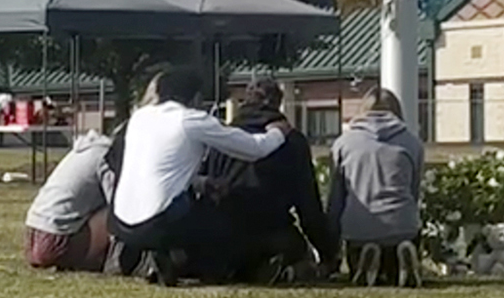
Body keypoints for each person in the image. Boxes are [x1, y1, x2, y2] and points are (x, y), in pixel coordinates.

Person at [107, 66, 290, 286]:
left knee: (186, 202)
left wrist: (200, 182)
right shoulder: (191, 120)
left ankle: (164, 258)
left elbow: (159, 169)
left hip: (121, 223)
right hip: (157, 222)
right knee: (219, 216)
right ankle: (211, 268)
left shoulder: (139, 118)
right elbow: (253, 149)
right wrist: (278, 132)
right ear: (195, 97)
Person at [199, 78, 337, 283]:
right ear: (277, 103)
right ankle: (277, 267)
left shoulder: (223, 137)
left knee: (227, 254)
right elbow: (308, 205)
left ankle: (230, 268)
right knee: (293, 249)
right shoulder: (291, 141)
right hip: (272, 230)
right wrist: (327, 252)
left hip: (224, 232)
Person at [327, 88, 425, 287]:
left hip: (358, 231)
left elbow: (336, 200)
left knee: (362, 245)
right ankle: (400, 261)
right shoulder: (412, 143)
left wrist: (330, 249)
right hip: (402, 226)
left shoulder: (343, 144)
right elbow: (414, 193)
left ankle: (365, 258)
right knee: (400, 240)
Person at [23, 129, 115, 272]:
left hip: (32, 237)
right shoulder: (106, 156)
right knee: (114, 211)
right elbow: (117, 203)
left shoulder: (80, 153)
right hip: (55, 240)